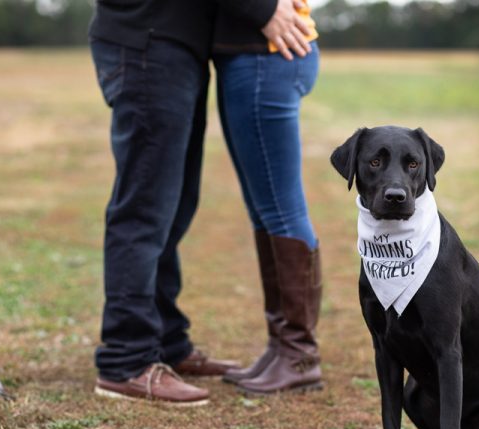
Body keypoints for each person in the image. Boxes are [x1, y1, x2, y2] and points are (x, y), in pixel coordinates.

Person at [88, 0, 312, 406]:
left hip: (174, 46)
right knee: (144, 206)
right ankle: (127, 360)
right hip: (147, 40)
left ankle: (167, 342)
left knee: (173, 206)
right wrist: (261, 10)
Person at [213, 0, 323, 394]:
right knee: (265, 211)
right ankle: (282, 347)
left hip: (264, 57)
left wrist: (260, 10)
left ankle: (299, 353)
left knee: (281, 211)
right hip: (255, 55)